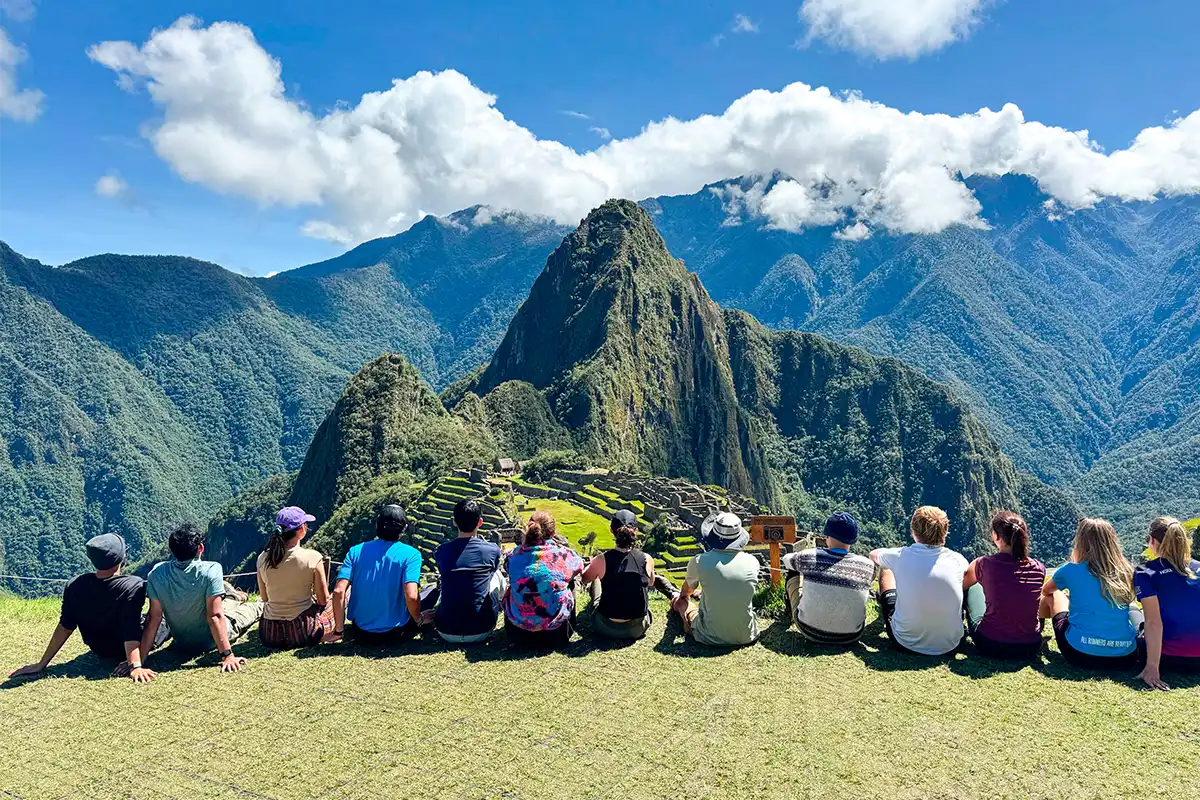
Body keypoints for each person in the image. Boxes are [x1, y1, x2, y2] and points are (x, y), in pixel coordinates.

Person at [8, 533, 167, 683]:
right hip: (125, 648)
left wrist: (41, 664)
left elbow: (65, 626)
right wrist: (135, 665)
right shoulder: (133, 585)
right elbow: (129, 626)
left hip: (100, 649)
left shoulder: (75, 585)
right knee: (163, 617)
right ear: (122, 558)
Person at [142, 523, 263, 673]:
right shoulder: (211, 569)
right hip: (212, 639)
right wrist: (227, 655)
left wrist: (138, 660)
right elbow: (215, 616)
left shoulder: (156, 573)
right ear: (200, 548)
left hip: (182, 642)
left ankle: (233, 596)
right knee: (249, 610)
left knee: (224, 605)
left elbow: (153, 618)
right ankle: (244, 599)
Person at [1040, 518, 1142, 671]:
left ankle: (1037, 634)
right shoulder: (1126, 571)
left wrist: (1072, 597)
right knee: (1132, 608)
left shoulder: (1071, 570)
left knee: (1055, 596)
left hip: (1080, 653)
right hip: (1125, 657)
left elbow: (1046, 591)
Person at [326, 505, 433, 646]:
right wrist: (419, 619)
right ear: (404, 528)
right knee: (431, 591)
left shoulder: (355, 551)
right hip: (397, 633)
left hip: (361, 633)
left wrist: (339, 631)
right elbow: (411, 595)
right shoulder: (411, 554)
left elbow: (339, 591)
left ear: (377, 525)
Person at [870, 506, 969, 656]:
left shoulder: (900, 556)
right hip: (950, 643)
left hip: (905, 640)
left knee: (886, 568)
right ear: (945, 533)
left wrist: (890, 552)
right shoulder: (958, 560)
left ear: (913, 531)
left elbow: (873, 554)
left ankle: (888, 608)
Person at [658, 511, 761, 647]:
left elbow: (685, 593)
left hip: (709, 636)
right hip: (747, 635)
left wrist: (683, 596)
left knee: (681, 602)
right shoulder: (752, 562)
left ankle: (674, 600)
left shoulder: (700, 561)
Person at [781, 511, 874, 645]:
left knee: (793, 572)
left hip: (810, 630)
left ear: (826, 536)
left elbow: (786, 559)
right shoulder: (867, 565)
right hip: (851, 635)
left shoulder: (809, 556)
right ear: (853, 539)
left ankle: (788, 613)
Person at [962, 511, 1046, 659]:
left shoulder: (984, 564)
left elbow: (962, 585)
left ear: (996, 536)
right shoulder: (1039, 568)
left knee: (973, 587)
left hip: (992, 644)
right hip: (1029, 646)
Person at [1134, 516, 1200, 689]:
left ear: (1153, 541)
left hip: (1170, 660)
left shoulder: (1146, 571)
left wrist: (1152, 668)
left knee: (1133, 614)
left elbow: (1153, 622)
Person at [256, 507, 334, 649]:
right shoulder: (313, 557)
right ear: (301, 530)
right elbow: (323, 600)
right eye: (305, 524)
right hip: (303, 632)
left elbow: (265, 597)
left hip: (269, 634)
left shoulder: (262, 558)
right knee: (337, 600)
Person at [503, 511, 584, 648]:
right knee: (569, 580)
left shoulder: (513, 555)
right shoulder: (564, 555)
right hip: (557, 634)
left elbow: (507, 567)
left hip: (518, 633)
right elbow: (580, 566)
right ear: (553, 534)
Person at [432, 499, 506, 644]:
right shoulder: (492, 550)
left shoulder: (441, 551)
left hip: (445, 630)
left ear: (454, 522)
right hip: (481, 629)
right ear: (480, 522)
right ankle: (502, 605)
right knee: (496, 574)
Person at [580, 522, 654, 640]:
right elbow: (651, 582)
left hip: (604, 627)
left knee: (597, 580)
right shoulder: (646, 558)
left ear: (616, 539)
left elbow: (584, 579)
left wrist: (592, 564)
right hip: (636, 629)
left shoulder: (602, 559)